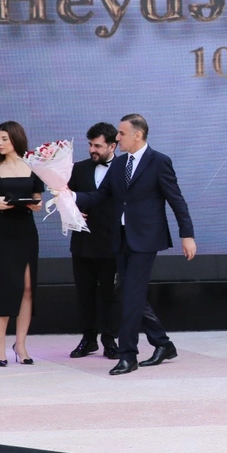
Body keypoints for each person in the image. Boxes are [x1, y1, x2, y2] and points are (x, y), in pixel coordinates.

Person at [71, 114, 196, 376]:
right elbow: (100, 195)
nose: (117, 137)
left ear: (137, 135)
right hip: (121, 237)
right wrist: (68, 196)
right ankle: (163, 343)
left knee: (131, 294)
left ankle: (128, 355)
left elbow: (176, 200)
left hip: (146, 238)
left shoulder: (158, 161)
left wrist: (187, 235)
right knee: (127, 291)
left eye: (122, 133)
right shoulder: (119, 164)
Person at [0, 122, 42, 367]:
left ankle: (21, 345)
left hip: (26, 230)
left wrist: (35, 204)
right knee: (6, 286)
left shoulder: (33, 166)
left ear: (16, 138)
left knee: (27, 288)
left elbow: (38, 200)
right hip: (1, 232)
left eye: (4, 138)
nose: (0, 143)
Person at [67, 122, 120, 360]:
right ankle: (88, 339)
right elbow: (65, 199)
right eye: (90, 144)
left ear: (112, 146)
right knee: (84, 293)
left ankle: (110, 340)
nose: (92, 150)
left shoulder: (125, 168)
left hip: (113, 242)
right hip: (83, 242)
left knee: (110, 294)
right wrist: (73, 213)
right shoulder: (78, 169)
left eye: (97, 145)